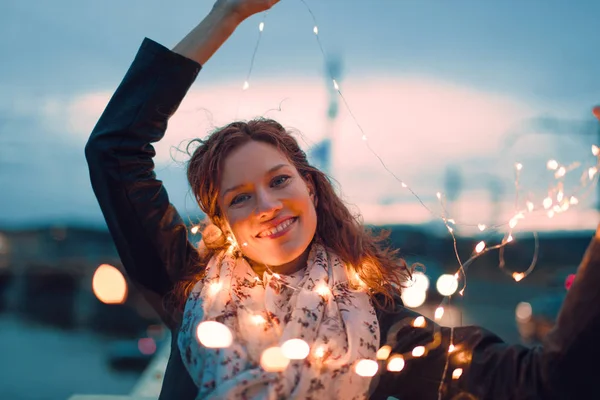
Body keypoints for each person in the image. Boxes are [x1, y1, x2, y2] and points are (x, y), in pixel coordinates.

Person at [85, 0, 600, 398]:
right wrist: (229, 14)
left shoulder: (388, 330)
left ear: (310, 185)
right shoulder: (189, 288)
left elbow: (543, 382)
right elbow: (115, 149)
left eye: (280, 180)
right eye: (240, 198)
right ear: (223, 222)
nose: (267, 203)